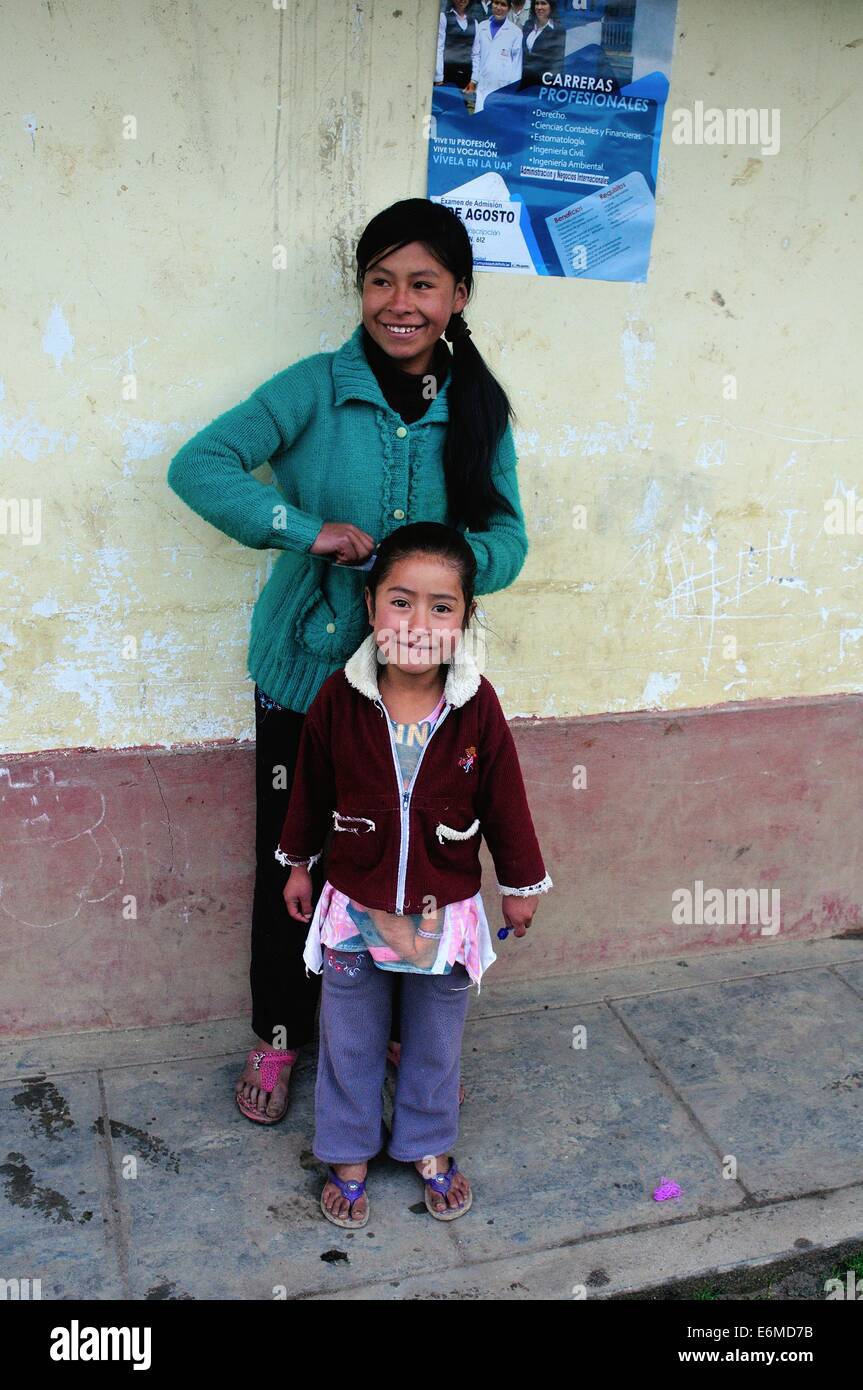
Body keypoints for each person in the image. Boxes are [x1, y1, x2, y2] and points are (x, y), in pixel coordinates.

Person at [166, 198, 532, 1125]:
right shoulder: (314, 387)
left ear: (457, 295)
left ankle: (398, 1034)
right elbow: (199, 466)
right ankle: (280, 1037)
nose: (397, 302)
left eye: (421, 283)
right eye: (379, 280)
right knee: (293, 855)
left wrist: (438, 569)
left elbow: (509, 541)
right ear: (361, 290)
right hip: (307, 674)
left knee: (413, 852)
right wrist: (299, 529)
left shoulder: (478, 411)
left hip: (423, 686)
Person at [278, 522, 553, 1225]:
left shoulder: (475, 706)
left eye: (441, 607)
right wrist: (299, 866)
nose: (419, 623)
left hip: (444, 913)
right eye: (400, 602)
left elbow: (505, 803)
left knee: (434, 1041)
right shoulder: (338, 702)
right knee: (349, 1038)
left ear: (464, 620)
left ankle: (428, 1145)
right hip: (354, 907)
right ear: (371, 608)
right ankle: (345, 1150)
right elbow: (308, 790)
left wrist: (519, 888)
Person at [464, 0, 523, 114]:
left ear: (509, 8)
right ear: (492, 4)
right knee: (480, 123)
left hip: (502, 89)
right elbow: (476, 55)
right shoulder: (482, 26)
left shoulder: (516, 32)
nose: (499, 8)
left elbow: (517, 65)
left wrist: (510, 91)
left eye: (503, 5)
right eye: (496, 3)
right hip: (482, 84)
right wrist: (474, 79)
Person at [520, 0, 565, 89]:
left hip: (543, 85)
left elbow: (556, 63)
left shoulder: (557, 30)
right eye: (537, 3)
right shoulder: (528, 24)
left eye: (543, 3)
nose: (539, 7)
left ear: (551, 6)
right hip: (523, 83)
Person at [435, 0, 479, 90]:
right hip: (446, 74)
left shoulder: (474, 22)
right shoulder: (444, 17)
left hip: (467, 75)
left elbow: (476, 53)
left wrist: (474, 79)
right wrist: (439, 77)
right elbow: (439, 48)